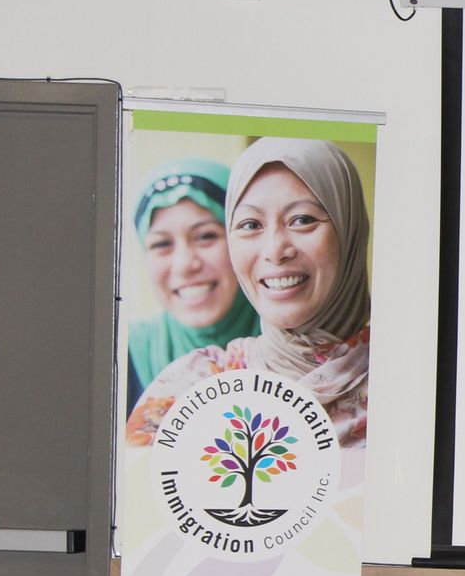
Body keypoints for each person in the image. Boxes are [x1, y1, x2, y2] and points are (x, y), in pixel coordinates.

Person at [126, 138, 372, 447]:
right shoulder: (189, 386)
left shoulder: (416, 374)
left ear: (349, 231)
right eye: (250, 224)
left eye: (303, 220)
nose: (274, 250)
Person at [123, 158, 259, 410]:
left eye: (206, 236)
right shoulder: (122, 353)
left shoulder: (300, 351)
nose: (185, 264)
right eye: (161, 244)